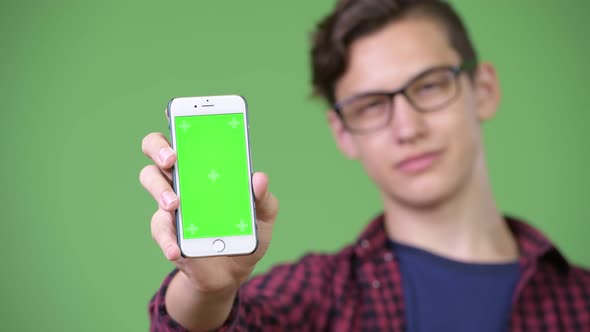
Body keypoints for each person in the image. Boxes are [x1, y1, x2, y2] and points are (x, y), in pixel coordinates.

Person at [140, 0, 590, 331]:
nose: (407, 127)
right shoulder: (317, 295)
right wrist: (209, 292)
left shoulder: (581, 301)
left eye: (430, 86)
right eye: (372, 105)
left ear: (484, 88)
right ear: (342, 131)